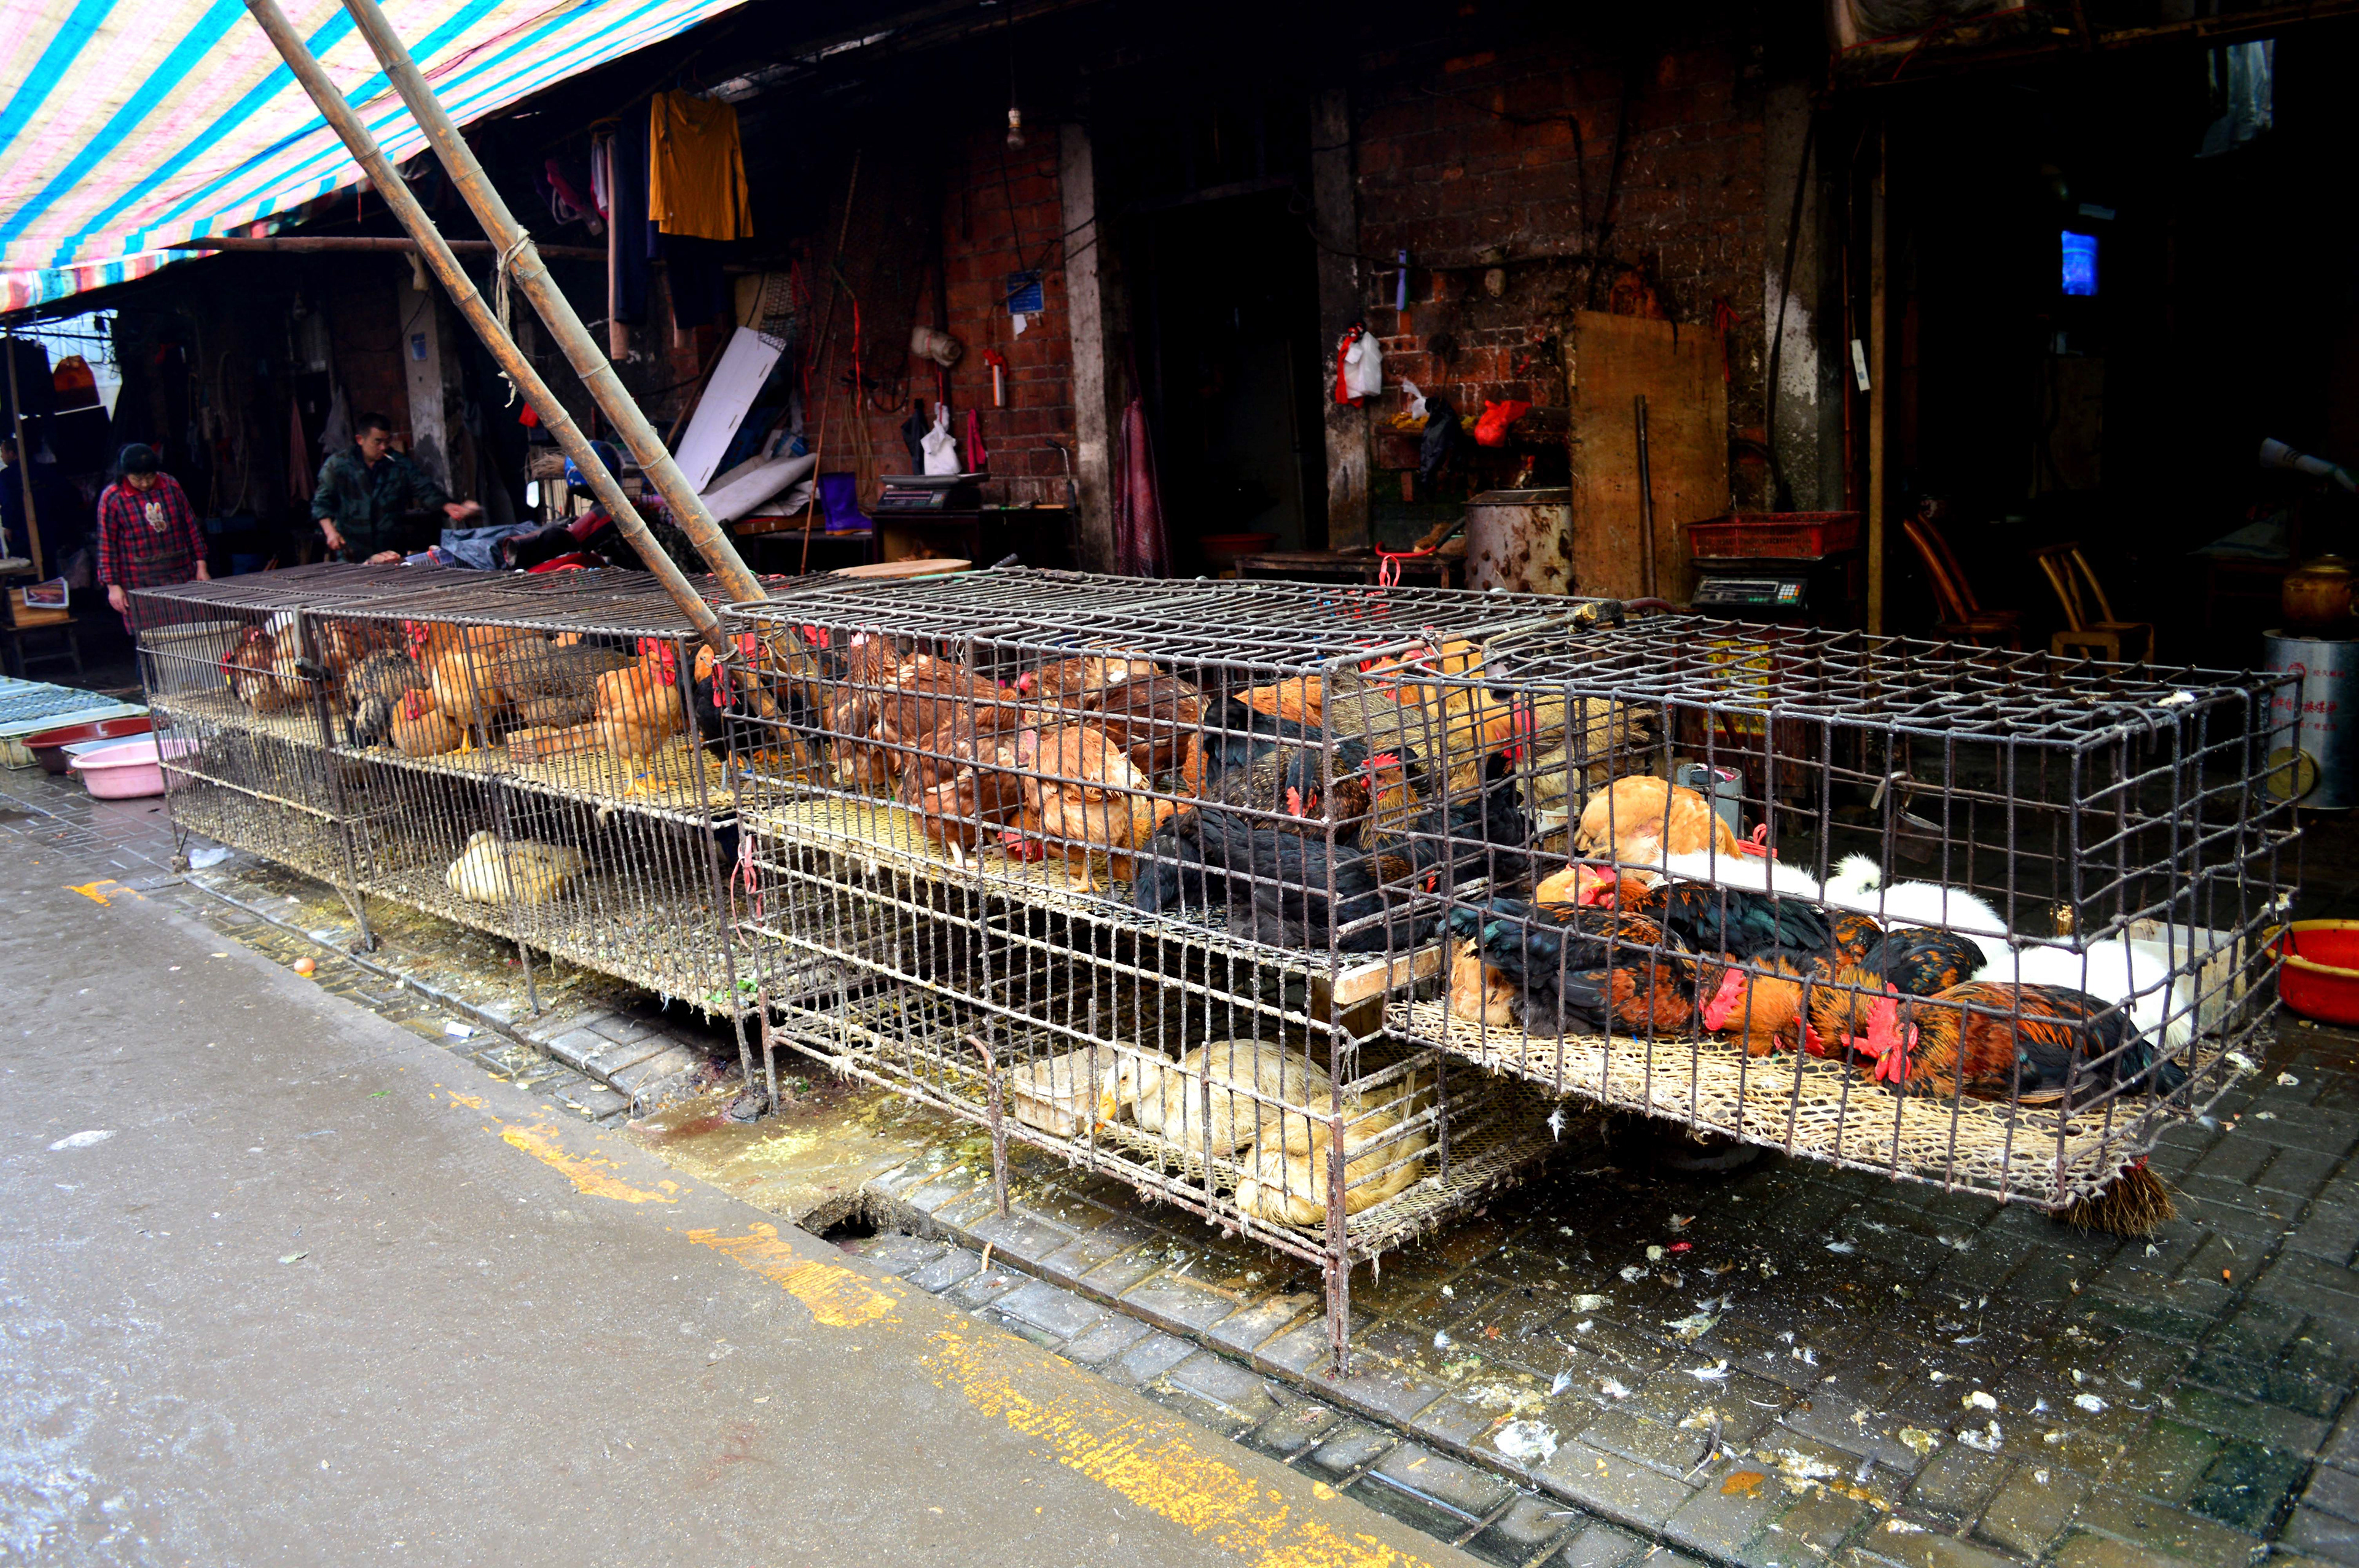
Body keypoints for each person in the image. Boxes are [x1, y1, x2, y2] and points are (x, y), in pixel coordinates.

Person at [311, 412, 481, 563]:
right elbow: (321, 503)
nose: (383, 448)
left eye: (387, 441)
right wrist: (330, 532)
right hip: (353, 550)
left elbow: (424, 488)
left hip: (390, 549)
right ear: (360, 440)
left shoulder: (398, 464)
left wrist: (450, 507)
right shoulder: (338, 465)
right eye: (377, 442)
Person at [95, 443, 208, 631]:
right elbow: (107, 545)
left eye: (150, 477)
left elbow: (190, 526)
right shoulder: (113, 497)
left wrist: (201, 566)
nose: (145, 484)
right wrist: (113, 586)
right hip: (138, 580)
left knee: (193, 631)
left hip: (180, 574)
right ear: (125, 474)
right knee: (150, 639)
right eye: (137, 479)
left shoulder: (170, 485)